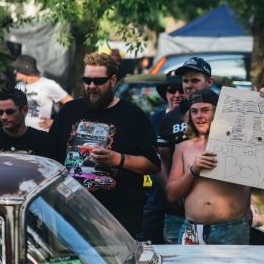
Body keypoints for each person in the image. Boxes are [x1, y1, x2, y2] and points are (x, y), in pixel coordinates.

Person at [43, 52, 160, 238]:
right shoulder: (69, 111)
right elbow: (49, 160)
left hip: (118, 220)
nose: (91, 86)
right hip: (71, 217)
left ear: (113, 80)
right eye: (87, 80)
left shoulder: (133, 115)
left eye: (98, 81)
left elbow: (152, 164)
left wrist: (118, 159)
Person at [167, 89, 251, 245]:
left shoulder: (240, 143)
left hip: (230, 230)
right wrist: (193, 170)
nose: (199, 116)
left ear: (217, 113)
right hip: (192, 229)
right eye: (194, 111)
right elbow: (171, 194)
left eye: (205, 110)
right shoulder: (183, 148)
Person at [157, 57, 213, 243]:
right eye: (185, 81)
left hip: (215, 213)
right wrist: (172, 193)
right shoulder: (170, 118)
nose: (188, 85)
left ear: (209, 82)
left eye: (195, 80)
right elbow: (161, 161)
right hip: (176, 213)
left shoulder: (225, 113)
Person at [138, 74, 184, 243]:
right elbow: (153, 158)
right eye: (172, 90)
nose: (177, 95)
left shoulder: (195, 119)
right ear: (165, 93)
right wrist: (170, 191)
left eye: (181, 90)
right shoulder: (155, 119)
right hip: (157, 199)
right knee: (149, 248)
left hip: (186, 205)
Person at [13, 54, 72, 131]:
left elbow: (71, 102)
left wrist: (57, 122)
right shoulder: (18, 86)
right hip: (21, 135)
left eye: (17, 70)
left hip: (42, 136)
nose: (14, 72)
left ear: (25, 70)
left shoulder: (48, 85)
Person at [0, 88, 46, 154]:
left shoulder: (43, 140)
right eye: (0, 112)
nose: (4, 117)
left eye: (9, 112)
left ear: (25, 110)